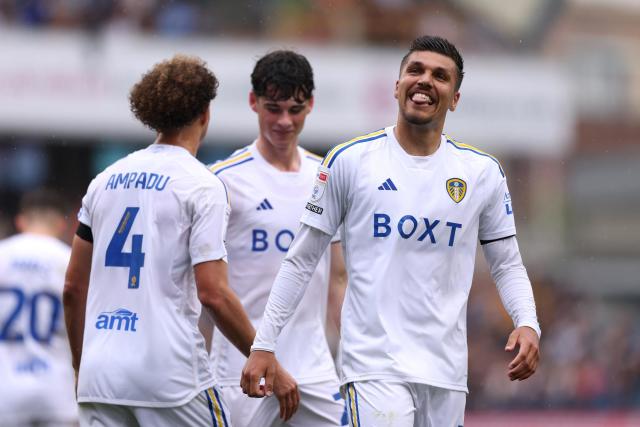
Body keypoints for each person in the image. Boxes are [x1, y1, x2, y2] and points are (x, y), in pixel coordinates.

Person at [241, 36, 541, 426]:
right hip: (373, 366)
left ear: (454, 98)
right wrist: (264, 343)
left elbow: (507, 264)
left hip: (446, 372)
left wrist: (527, 321)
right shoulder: (350, 161)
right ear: (397, 86)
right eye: (415, 71)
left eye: (440, 76)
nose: (425, 81)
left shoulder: (481, 173)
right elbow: (301, 260)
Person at [62, 54, 298, 427]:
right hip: (169, 379)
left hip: (99, 377)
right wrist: (264, 356)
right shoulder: (201, 185)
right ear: (205, 112)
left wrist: (80, 364)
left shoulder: (104, 180)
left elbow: (74, 287)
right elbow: (214, 294)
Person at [208, 50, 347, 426]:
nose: (285, 121)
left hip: (314, 366)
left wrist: (353, 350)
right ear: (253, 102)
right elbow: (208, 287)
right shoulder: (222, 180)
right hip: (243, 364)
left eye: (295, 109)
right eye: (274, 108)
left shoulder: (327, 176)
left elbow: (337, 278)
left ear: (311, 105)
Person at [0, 189, 77, 427]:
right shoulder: (70, 261)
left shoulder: (2, 255)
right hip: (56, 389)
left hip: (6, 391)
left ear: (20, 221)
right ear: (60, 224)